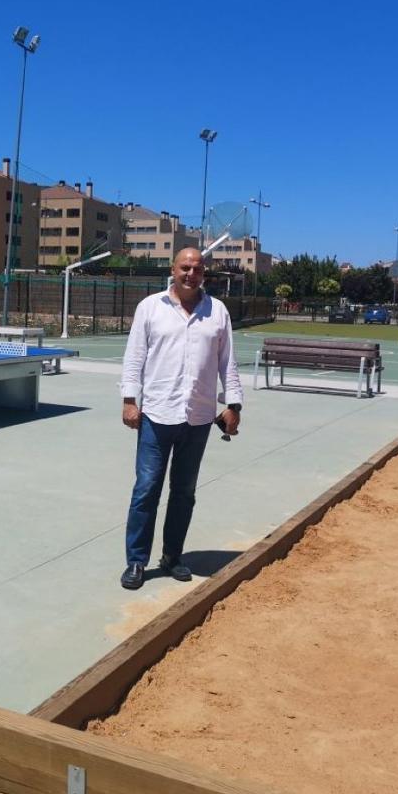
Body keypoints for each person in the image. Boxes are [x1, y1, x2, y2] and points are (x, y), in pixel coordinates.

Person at [118, 247, 243, 591]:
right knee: (146, 490)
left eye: (197, 268)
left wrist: (234, 405)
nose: (191, 273)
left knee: (184, 492)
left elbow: (227, 363)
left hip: (199, 416)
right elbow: (134, 358)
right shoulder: (150, 307)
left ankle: (172, 556)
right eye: (185, 267)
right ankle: (136, 561)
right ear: (173, 269)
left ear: (205, 273)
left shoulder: (217, 311)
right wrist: (130, 401)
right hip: (157, 415)